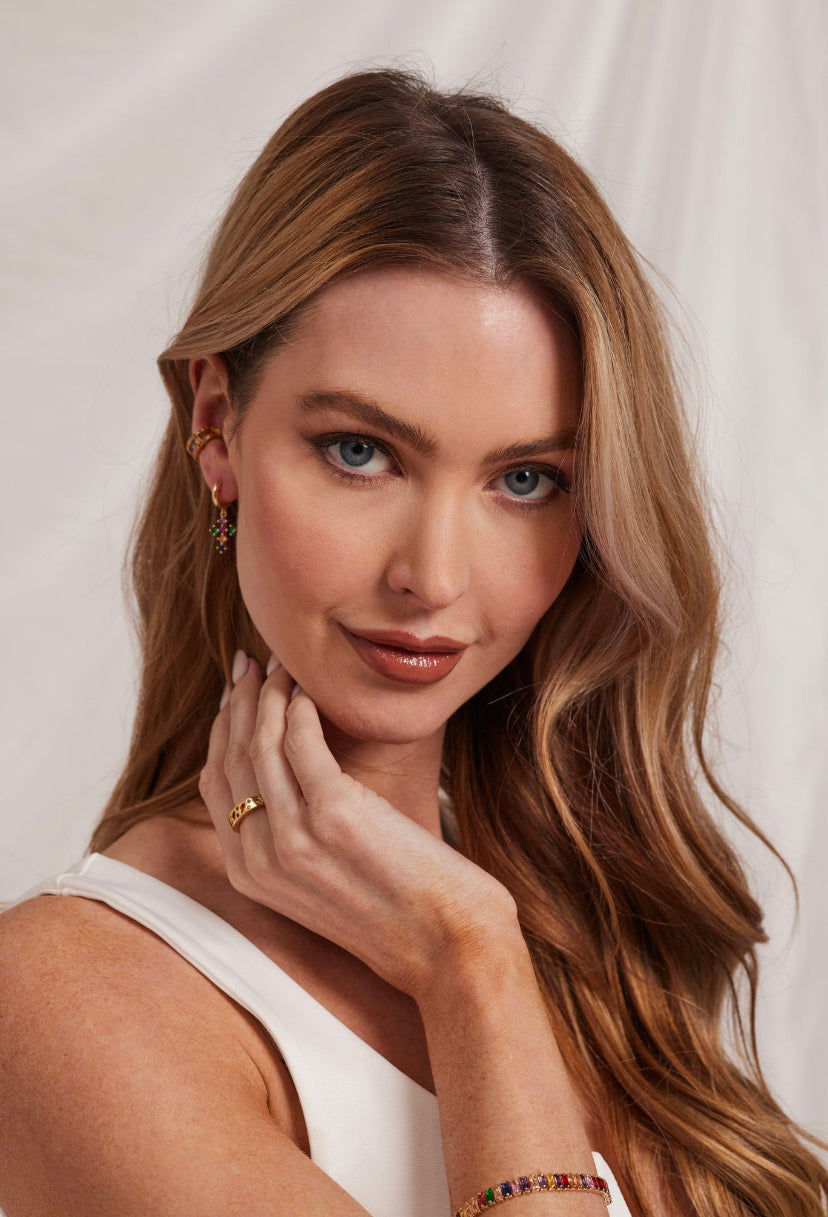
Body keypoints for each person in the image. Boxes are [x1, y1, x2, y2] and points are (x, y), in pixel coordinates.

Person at [0, 65, 825, 1217]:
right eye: (361, 451)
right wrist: (469, 958)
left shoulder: (587, 927)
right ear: (217, 424)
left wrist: (484, 931)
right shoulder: (65, 995)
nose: (433, 576)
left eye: (527, 479)